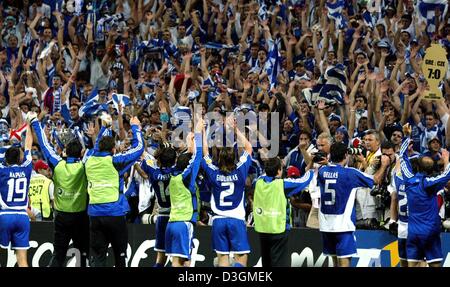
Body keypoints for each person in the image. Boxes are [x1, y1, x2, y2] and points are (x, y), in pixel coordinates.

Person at [29, 113, 89, 267]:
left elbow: (44, 145)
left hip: (61, 217)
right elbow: (95, 151)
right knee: (83, 254)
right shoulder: (84, 166)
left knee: (58, 256)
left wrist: (35, 122)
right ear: (80, 153)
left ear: (65, 153)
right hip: (80, 217)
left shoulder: (57, 164)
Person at [84, 116, 144, 267]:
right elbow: (139, 149)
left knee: (98, 258)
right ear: (113, 150)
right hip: (114, 214)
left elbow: (97, 146)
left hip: (95, 215)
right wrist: (136, 127)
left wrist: (105, 128)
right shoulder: (115, 161)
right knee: (120, 256)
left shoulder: (89, 160)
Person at [201, 116, 253, 267]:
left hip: (218, 221)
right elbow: (249, 148)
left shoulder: (213, 173)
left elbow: (205, 153)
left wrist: (203, 130)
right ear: (235, 158)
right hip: (236, 220)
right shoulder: (241, 171)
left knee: (222, 260)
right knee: (241, 259)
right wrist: (235, 129)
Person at [317, 142, 377, 267]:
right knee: (344, 262)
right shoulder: (351, 173)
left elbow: (332, 171)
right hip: (343, 226)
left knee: (334, 263)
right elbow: (374, 180)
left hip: (325, 226)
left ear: (330, 155)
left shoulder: (322, 171)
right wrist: (384, 165)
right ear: (346, 155)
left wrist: (328, 163)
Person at [400, 123, 450, 267]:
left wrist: (406, 136)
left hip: (413, 232)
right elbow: (447, 175)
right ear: (431, 170)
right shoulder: (429, 183)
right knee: (435, 264)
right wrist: (446, 159)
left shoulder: (409, 179)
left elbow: (402, 157)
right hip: (430, 232)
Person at [253, 157, 314, 267]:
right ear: (279, 171)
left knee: (266, 263)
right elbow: (304, 180)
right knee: (279, 263)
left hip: (262, 229)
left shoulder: (258, 182)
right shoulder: (282, 184)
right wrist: (311, 169)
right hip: (278, 229)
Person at [165, 117, 203, 267]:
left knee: (178, 261)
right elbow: (197, 157)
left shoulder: (173, 176)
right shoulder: (186, 178)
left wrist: (189, 142)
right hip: (184, 223)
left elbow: (185, 160)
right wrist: (198, 133)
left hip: (172, 223)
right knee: (184, 262)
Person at [0, 122, 33, 267]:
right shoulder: (26, 169)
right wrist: (30, 125)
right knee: (22, 260)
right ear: (20, 159)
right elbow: (28, 146)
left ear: (6, 160)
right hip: (22, 217)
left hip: (5, 216)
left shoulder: (2, 171)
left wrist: (6, 139)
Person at [141, 143, 177, 267]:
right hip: (175, 216)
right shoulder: (176, 171)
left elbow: (144, 155)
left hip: (161, 216)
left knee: (160, 258)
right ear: (174, 160)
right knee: (179, 259)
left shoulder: (153, 172)